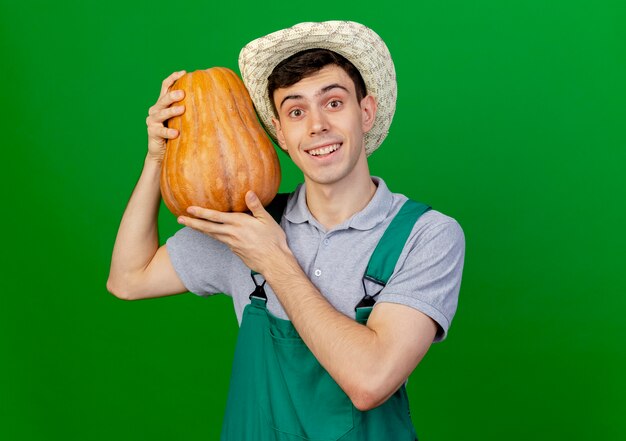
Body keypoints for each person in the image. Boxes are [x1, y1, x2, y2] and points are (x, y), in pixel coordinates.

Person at [108, 21, 465, 441]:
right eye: (296, 111)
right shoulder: (247, 222)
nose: (316, 126)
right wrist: (157, 158)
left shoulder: (426, 236)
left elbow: (371, 382)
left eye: (333, 103)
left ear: (365, 112)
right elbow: (128, 279)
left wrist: (272, 260)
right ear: (280, 131)